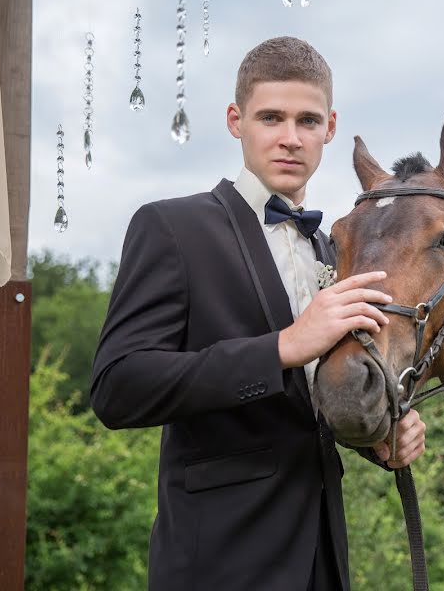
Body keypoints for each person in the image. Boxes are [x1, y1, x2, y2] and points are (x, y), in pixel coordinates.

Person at [90, 36, 427, 591]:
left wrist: (379, 436)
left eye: (308, 121)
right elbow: (117, 387)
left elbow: (310, 407)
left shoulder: (331, 250)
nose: (290, 138)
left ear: (331, 128)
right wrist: (282, 347)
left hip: (323, 558)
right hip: (217, 562)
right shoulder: (171, 229)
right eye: (271, 117)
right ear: (235, 120)